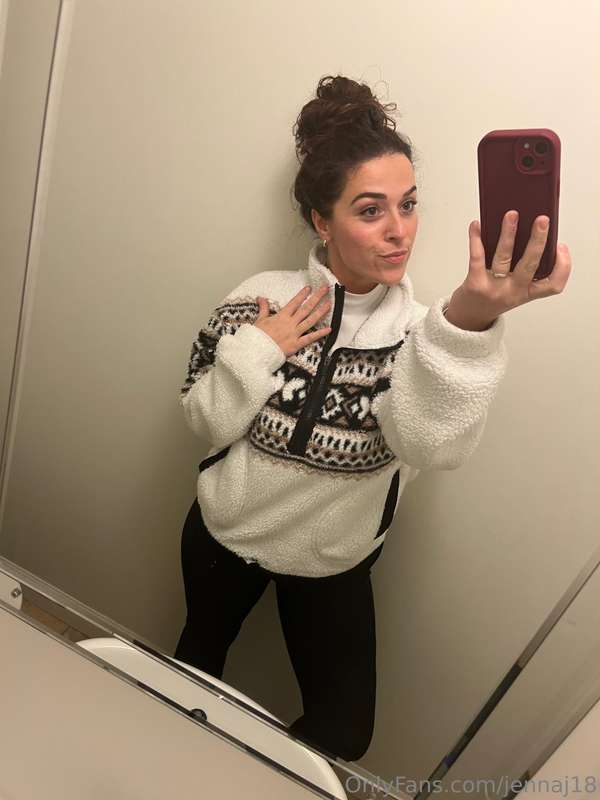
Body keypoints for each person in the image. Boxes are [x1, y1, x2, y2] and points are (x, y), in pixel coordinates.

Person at [173, 75, 571, 762]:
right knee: (187, 672)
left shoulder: (427, 336)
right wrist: (259, 349)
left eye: (409, 205)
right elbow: (205, 422)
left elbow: (432, 446)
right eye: (370, 210)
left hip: (332, 561)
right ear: (322, 222)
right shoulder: (257, 300)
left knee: (343, 734)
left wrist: (467, 324)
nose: (400, 231)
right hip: (223, 536)